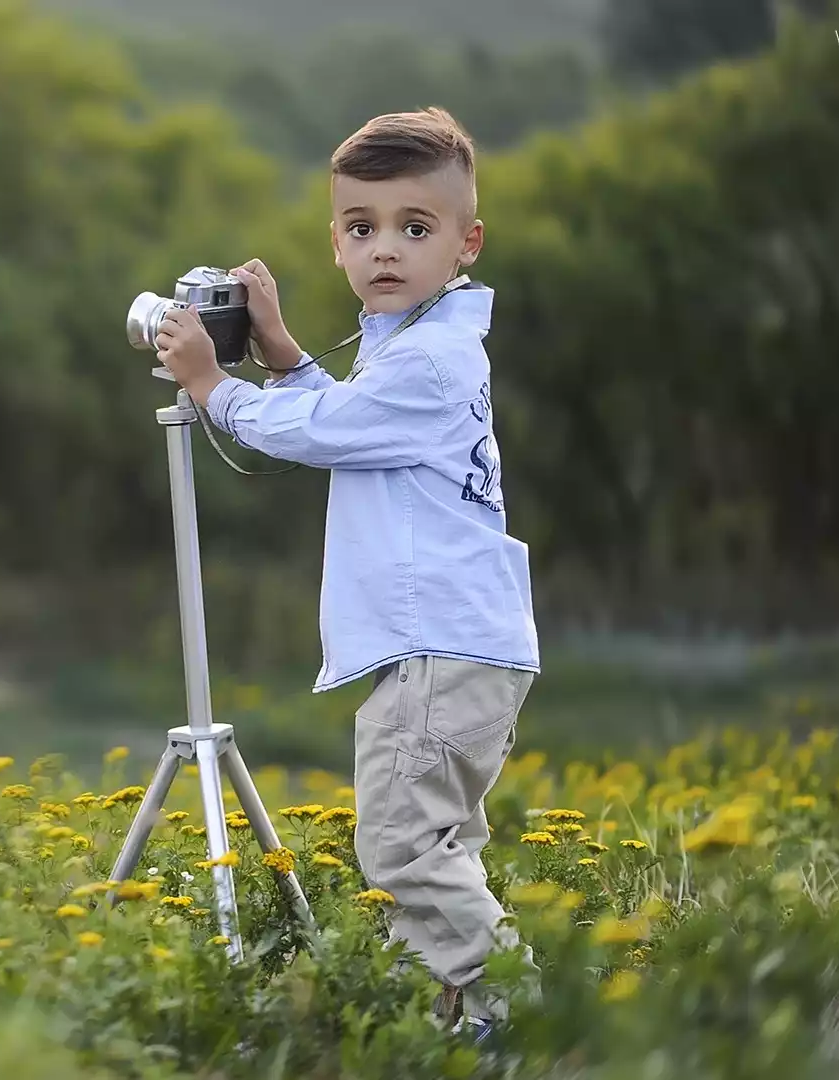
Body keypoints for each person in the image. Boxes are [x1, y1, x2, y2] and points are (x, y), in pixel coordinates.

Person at [150, 107, 541, 1041]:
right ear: (335, 241)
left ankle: (512, 1016)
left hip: (437, 646)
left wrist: (213, 385)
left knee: (403, 845)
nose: (385, 251)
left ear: (466, 244)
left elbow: (322, 434)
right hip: (463, 642)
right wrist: (282, 351)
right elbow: (356, 425)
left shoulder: (434, 362)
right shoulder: (411, 342)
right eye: (362, 229)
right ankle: (457, 1016)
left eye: (416, 228)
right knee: (440, 845)